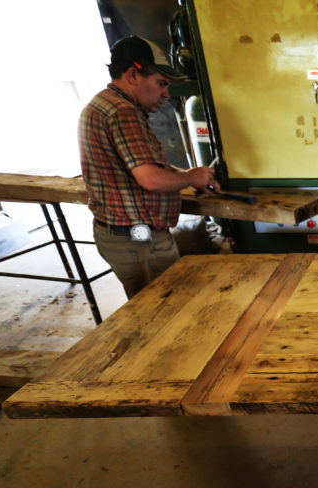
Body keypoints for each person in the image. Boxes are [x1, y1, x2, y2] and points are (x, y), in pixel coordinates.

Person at [79, 35, 218, 299]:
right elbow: (151, 179)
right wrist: (191, 176)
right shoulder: (123, 112)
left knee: (150, 305)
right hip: (139, 239)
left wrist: (193, 178)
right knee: (162, 309)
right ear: (133, 75)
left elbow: (146, 167)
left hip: (123, 234)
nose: (166, 93)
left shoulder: (104, 104)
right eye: (161, 83)